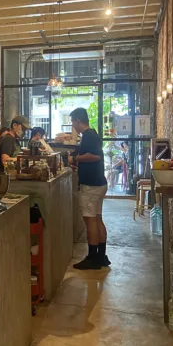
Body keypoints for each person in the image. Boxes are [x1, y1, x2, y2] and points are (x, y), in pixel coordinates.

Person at [69, 108, 109, 270]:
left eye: (73, 123)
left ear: (78, 121)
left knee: (90, 219)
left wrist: (76, 158)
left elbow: (95, 156)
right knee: (97, 218)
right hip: (99, 183)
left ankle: (93, 257)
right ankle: (101, 256)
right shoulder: (92, 134)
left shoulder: (89, 136)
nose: (73, 127)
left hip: (91, 185)